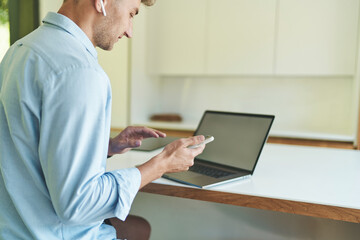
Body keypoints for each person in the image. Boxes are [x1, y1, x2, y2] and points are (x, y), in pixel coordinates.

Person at [0, 0, 206, 239]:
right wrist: (161, 164)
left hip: (14, 227)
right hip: (52, 232)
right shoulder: (80, 71)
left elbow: (23, 142)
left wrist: (105, 146)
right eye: (132, 14)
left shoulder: (20, 49)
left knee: (140, 228)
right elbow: (79, 205)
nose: (129, 31)